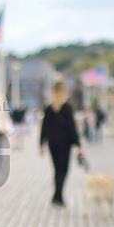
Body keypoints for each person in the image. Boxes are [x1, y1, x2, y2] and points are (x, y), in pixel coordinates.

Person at [39, 78, 83, 206]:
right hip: (65, 144)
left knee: (57, 169)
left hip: (53, 143)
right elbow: (71, 129)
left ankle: (57, 196)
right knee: (63, 170)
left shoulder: (48, 108)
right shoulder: (67, 108)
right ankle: (58, 196)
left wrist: (41, 144)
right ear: (64, 92)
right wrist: (78, 145)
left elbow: (44, 127)